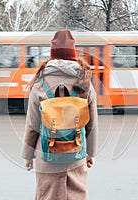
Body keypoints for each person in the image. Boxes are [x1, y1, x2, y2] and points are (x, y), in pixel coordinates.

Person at [22, 29, 98, 200]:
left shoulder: (40, 82)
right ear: (74, 54)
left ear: (52, 55)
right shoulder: (84, 81)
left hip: (47, 156)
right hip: (76, 153)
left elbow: (32, 125)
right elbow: (92, 124)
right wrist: (90, 153)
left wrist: (28, 156)